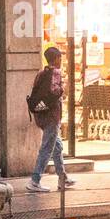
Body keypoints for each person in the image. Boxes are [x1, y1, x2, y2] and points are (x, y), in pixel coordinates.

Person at [27, 47, 75, 193]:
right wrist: (63, 88)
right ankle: (35, 180)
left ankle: (63, 178)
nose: (61, 60)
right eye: (60, 58)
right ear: (56, 59)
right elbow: (55, 92)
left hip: (41, 115)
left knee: (57, 147)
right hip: (51, 117)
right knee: (47, 148)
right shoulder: (55, 72)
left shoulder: (41, 73)